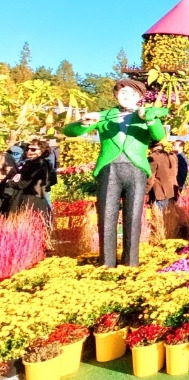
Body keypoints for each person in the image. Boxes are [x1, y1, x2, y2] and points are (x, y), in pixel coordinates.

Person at [62, 79, 167, 268]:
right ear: (115, 95)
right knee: (106, 218)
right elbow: (69, 131)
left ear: (140, 98)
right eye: (123, 93)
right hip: (109, 169)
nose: (127, 97)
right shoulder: (103, 116)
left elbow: (159, 136)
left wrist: (150, 119)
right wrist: (84, 122)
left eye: (133, 94)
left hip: (136, 170)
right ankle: (106, 264)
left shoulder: (146, 115)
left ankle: (130, 263)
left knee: (133, 218)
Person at [5, 139, 54, 227]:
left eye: (33, 149)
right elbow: (52, 181)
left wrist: (10, 183)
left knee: (24, 225)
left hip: (28, 199)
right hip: (39, 198)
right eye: (28, 149)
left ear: (42, 151)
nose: (29, 151)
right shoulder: (43, 163)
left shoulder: (36, 164)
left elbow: (23, 184)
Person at [147, 142, 177, 211]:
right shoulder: (171, 156)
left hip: (160, 192)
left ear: (152, 147)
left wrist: (145, 190)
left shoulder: (153, 157)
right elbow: (175, 173)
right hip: (172, 191)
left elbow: (150, 178)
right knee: (169, 217)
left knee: (159, 218)